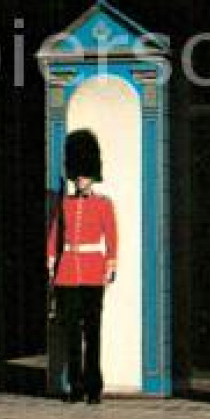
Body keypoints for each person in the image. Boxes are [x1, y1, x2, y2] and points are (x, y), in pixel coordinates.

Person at [46, 129, 118, 405]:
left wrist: (111, 263)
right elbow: (55, 234)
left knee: (93, 331)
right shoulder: (64, 204)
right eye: (77, 176)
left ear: (93, 176)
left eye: (84, 176)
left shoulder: (103, 205)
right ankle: (75, 385)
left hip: (92, 271)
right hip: (67, 273)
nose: (80, 181)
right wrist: (52, 261)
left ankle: (93, 386)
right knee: (72, 335)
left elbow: (111, 235)